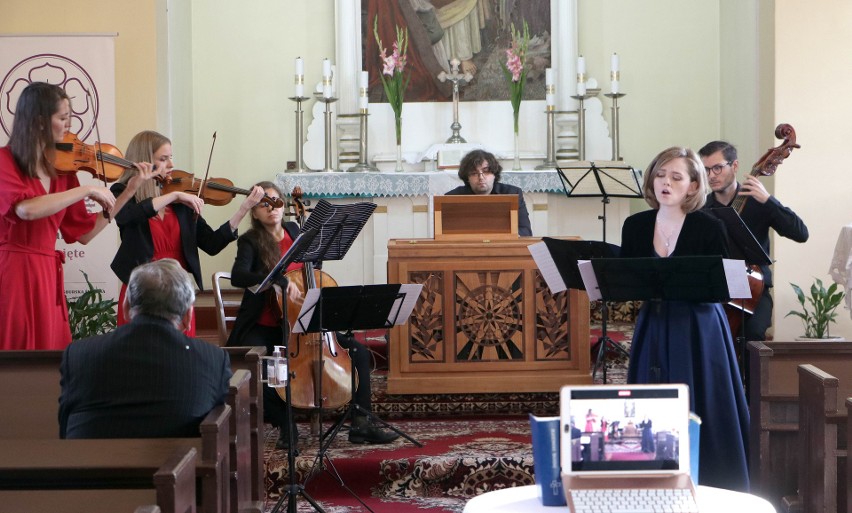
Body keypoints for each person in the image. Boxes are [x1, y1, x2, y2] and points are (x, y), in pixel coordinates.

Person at [226, 181, 399, 449]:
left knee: (359, 353)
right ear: (256, 212)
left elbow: (313, 267)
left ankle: (362, 423)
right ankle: (286, 427)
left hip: (304, 322)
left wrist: (312, 272)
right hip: (267, 322)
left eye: (276, 201)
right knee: (263, 367)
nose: (272, 208)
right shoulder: (250, 240)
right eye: (264, 203)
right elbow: (239, 276)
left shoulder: (295, 230)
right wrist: (278, 282)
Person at [619, 146, 749, 492]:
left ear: (693, 186)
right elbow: (627, 280)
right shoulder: (635, 225)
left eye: (676, 177)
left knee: (703, 403)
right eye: (660, 174)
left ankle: (711, 483)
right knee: (651, 405)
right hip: (654, 322)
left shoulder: (709, 226)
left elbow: (721, 287)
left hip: (699, 327)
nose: (665, 182)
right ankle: (651, 482)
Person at [0, 82, 156, 350]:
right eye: (63, 118)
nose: (69, 126)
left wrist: (128, 192)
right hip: (12, 272)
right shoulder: (5, 161)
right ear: (38, 122)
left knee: (49, 357)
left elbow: (85, 234)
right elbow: (26, 209)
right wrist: (85, 189)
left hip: (47, 275)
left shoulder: (64, 172)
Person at [110, 130, 265, 335]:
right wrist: (174, 195)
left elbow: (211, 244)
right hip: (141, 289)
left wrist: (243, 209)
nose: (172, 165)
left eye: (171, 157)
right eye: (163, 159)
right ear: (144, 161)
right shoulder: (122, 192)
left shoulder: (182, 204)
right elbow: (124, 217)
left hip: (178, 291)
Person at [59, 258, 232, 438]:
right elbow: (220, 438)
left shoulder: (78, 355)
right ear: (189, 316)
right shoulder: (213, 360)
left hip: (91, 464)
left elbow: (65, 431)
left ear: (125, 307)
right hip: (179, 464)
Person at [699, 140, 809, 342]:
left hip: (754, 291)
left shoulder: (758, 201)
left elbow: (801, 233)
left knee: (753, 335)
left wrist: (769, 201)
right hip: (715, 290)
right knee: (705, 336)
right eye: (705, 170)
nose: (711, 175)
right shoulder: (702, 208)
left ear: (735, 166)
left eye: (717, 168)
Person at [445, 149, 532, 236]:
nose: (481, 177)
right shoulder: (452, 198)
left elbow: (526, 231)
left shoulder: (513, 193)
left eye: (486, 171)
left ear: (495, 174)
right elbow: (444, 234)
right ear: (467, 178)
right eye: (474, 173)